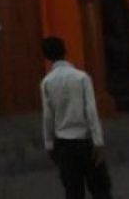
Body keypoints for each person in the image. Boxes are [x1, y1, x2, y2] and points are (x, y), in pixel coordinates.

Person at [40, 36, 112, 199]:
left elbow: (48, 116)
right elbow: (91, 111)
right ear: (65, 51)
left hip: (64, 143)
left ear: (47, 57)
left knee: (72, 189)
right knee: (100, 188)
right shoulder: (81, 77)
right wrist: (98, 141)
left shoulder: (47, 82)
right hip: (85, 140)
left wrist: (49, 143)